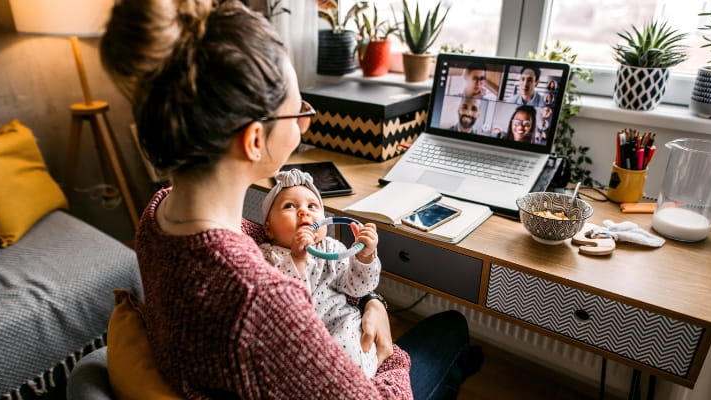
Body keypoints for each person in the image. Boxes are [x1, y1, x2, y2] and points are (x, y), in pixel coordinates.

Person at [99, 1, 482, 399]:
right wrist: (390, 356)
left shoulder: (158, 213)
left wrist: (372, 299)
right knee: (450, 328)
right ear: (254, 139)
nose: (304, 124)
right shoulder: (260, 302)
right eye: (299, 112)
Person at [260, 169, 381, 378]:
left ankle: (359, 379)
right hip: (298, 335)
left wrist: (365, 257)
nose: (303, 212)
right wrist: (296, 259)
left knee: (350, 347)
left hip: (339, 323)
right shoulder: (267, 255)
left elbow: (357, 288)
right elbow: (279, 300)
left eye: (312, 206)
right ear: (269, 229)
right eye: (290, 206)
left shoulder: (331, 248)